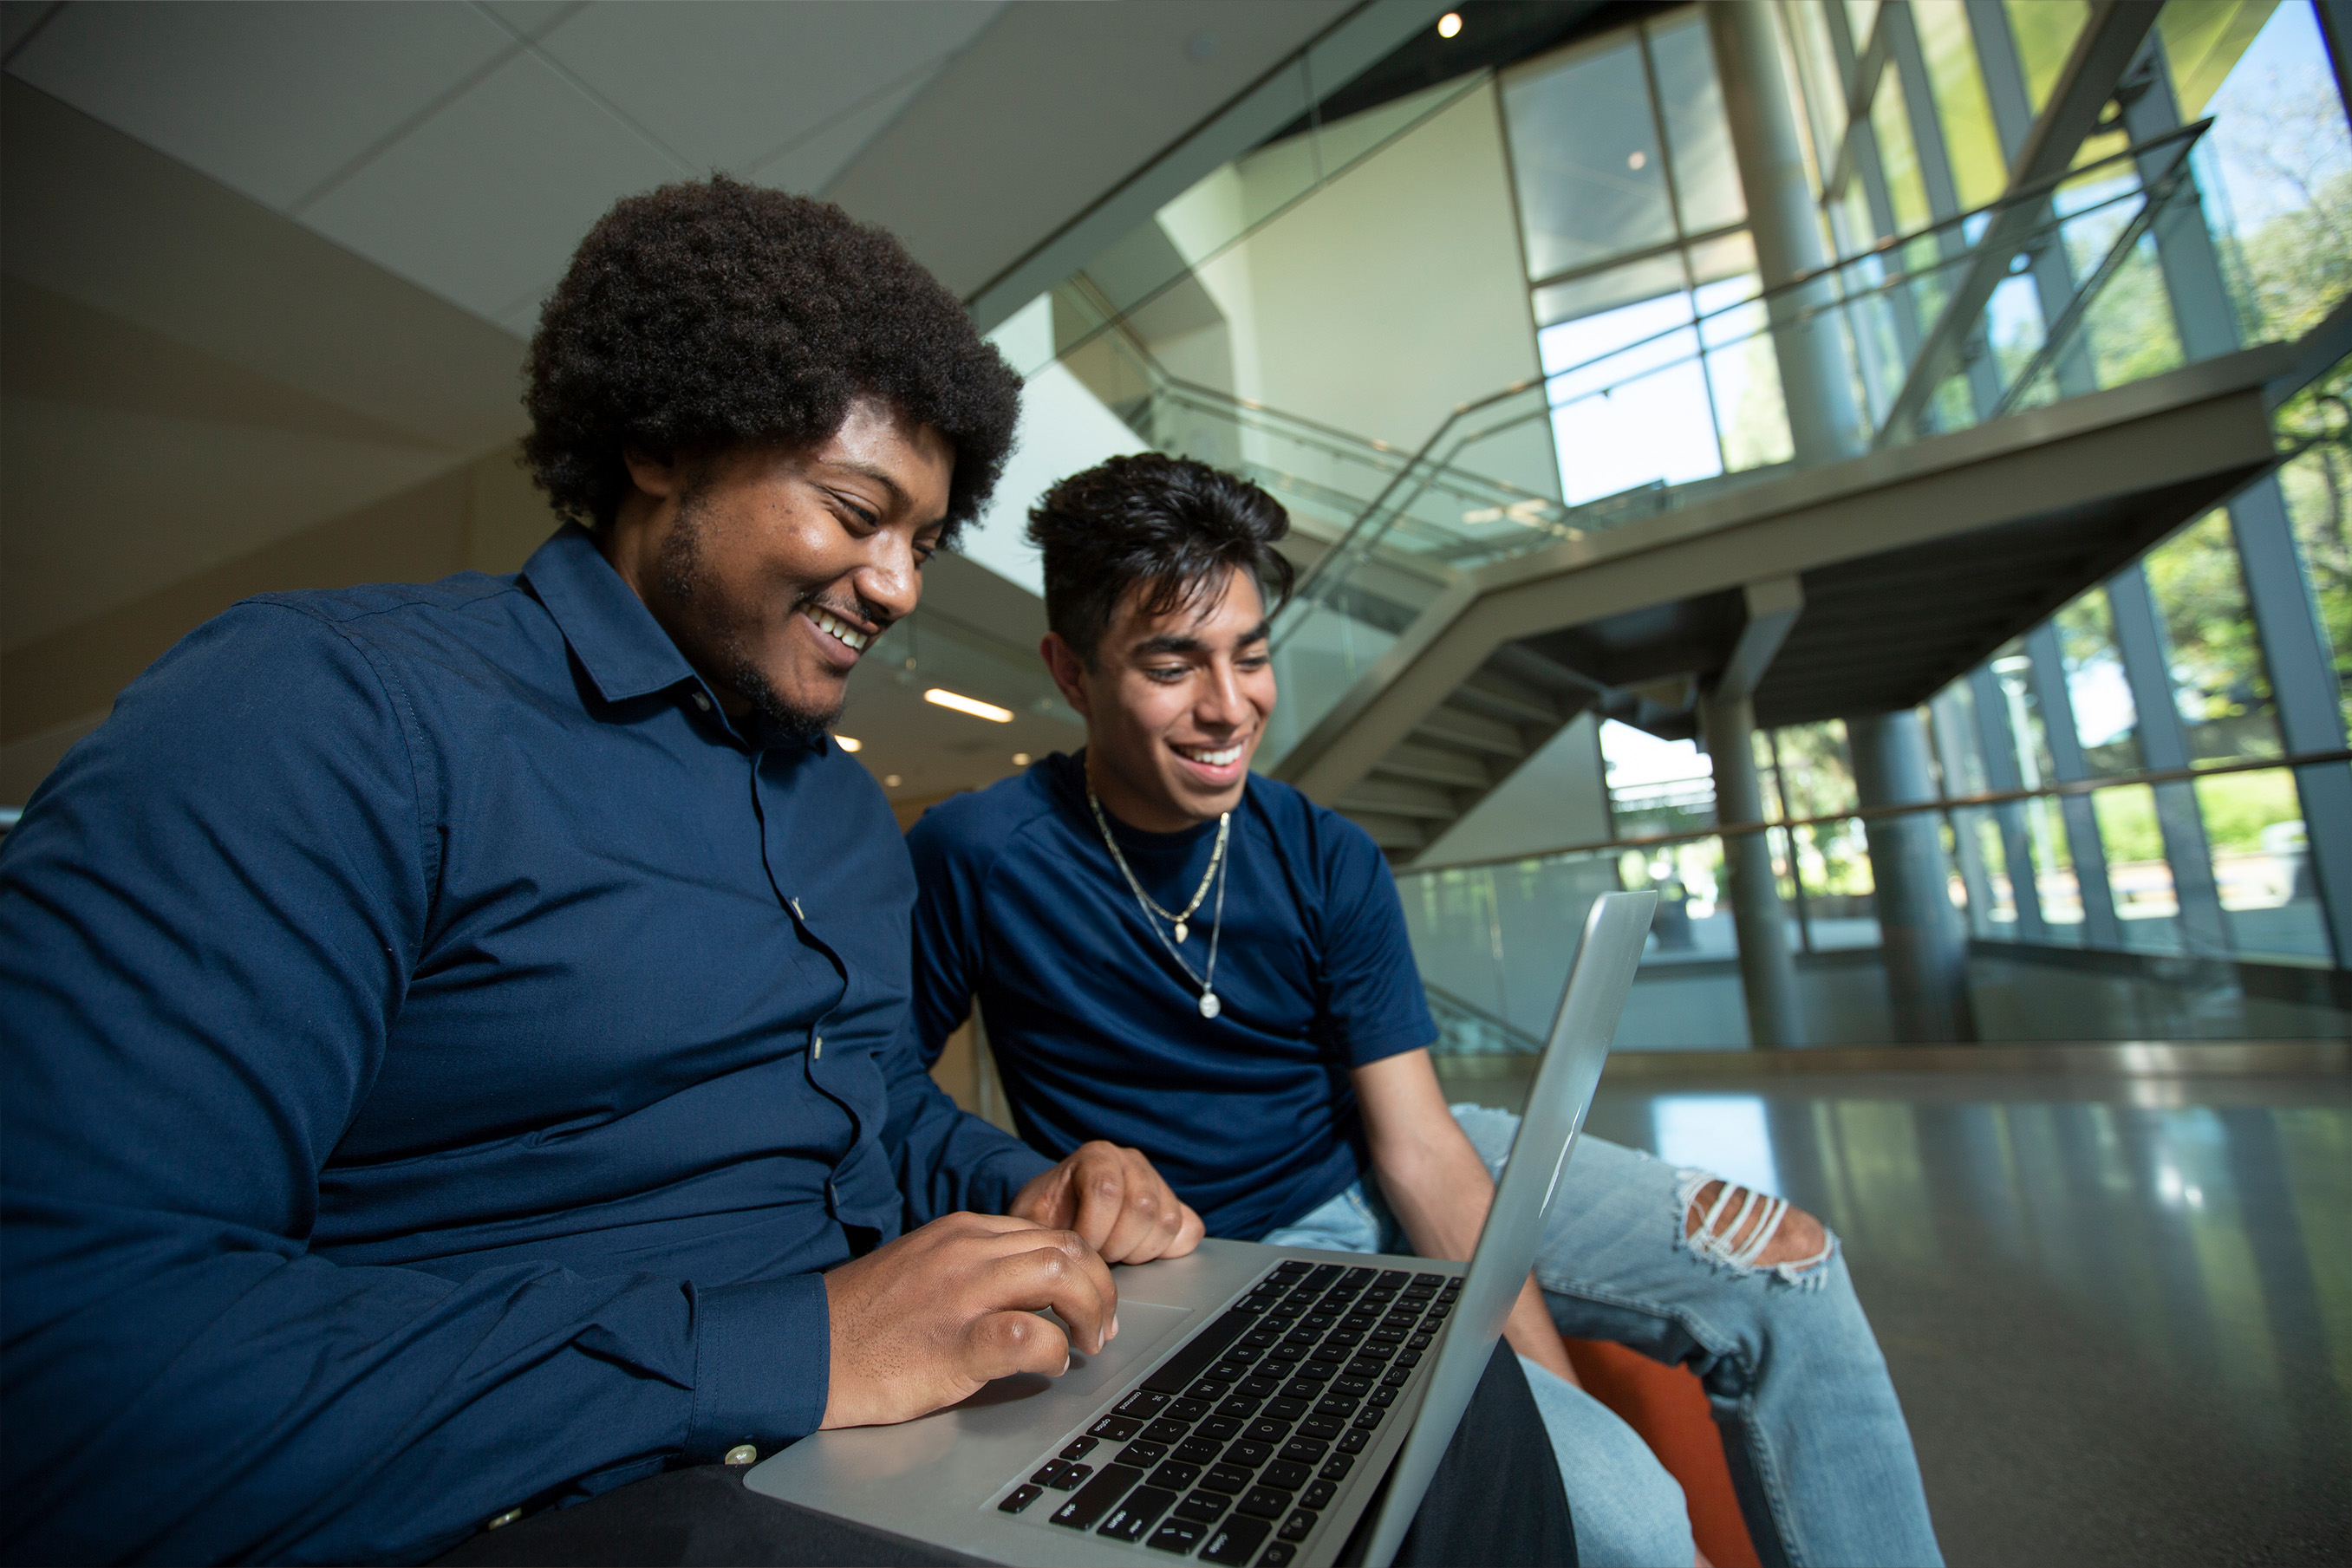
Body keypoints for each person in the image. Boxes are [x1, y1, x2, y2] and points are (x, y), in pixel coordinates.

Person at [2, 183, 1580, 1568]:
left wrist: (1024, 1183)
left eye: (926, 533)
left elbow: (872, 1110)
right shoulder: (329, 713)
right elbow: (65, 1363)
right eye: (854, 510)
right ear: (660, 444)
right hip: (557, 1478)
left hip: (861, 1413)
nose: (897, 582)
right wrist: (798, 1345)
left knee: (1449, 1410)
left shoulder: (830, 811)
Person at [904, 454, 1948, 1568]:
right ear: (1070, 671)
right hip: (1221, 1259)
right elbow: (881, 1094)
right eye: (1172, 665)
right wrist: (1030, 1183)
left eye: (1250, 657)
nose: (1227, 706)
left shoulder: (1324, 855)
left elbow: (1416, 1142)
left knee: (1786, 1264)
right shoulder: (979, 855)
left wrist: (1537, 1380)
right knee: (1632, 1521)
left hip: (1383, 1159)